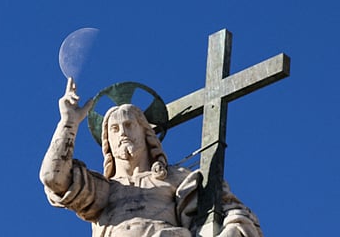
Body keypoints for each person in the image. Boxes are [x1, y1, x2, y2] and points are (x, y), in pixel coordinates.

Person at [40, 78, 262, 237]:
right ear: (108, 144)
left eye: (129, 125)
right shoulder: (105, 190)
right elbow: (53, 177)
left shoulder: (177, 178)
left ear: (146, 133)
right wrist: (68, 123)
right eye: (115, 129)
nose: (123, 133)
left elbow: (231, 212)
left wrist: (232, 229)